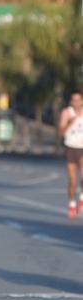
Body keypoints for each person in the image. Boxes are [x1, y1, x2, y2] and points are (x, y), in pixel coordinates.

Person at [58, 90, 83, 219]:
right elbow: (61, 132)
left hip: (82, 147)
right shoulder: (67, 113)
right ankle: (72, 204)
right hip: (71, 148)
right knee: (72, 181)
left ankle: (82, 198)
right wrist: (70, 123)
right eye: (74, 100)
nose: (76, 103)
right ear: (71, 101)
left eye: (79, 100)